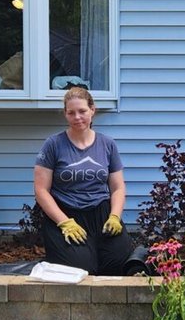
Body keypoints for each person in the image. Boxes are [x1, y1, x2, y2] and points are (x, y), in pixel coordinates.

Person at [33, 87, 134, 275]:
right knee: (81, 269)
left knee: (119, 262)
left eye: (82, 111)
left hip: (101, 213)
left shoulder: (107, 144)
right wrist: (64, 222)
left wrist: (115, 216)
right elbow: (41, 190)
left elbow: (118, 187)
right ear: (65, 114)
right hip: (66, 213)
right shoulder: (53, 145)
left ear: (92, 110)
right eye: (71, 113)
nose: (77, 117)